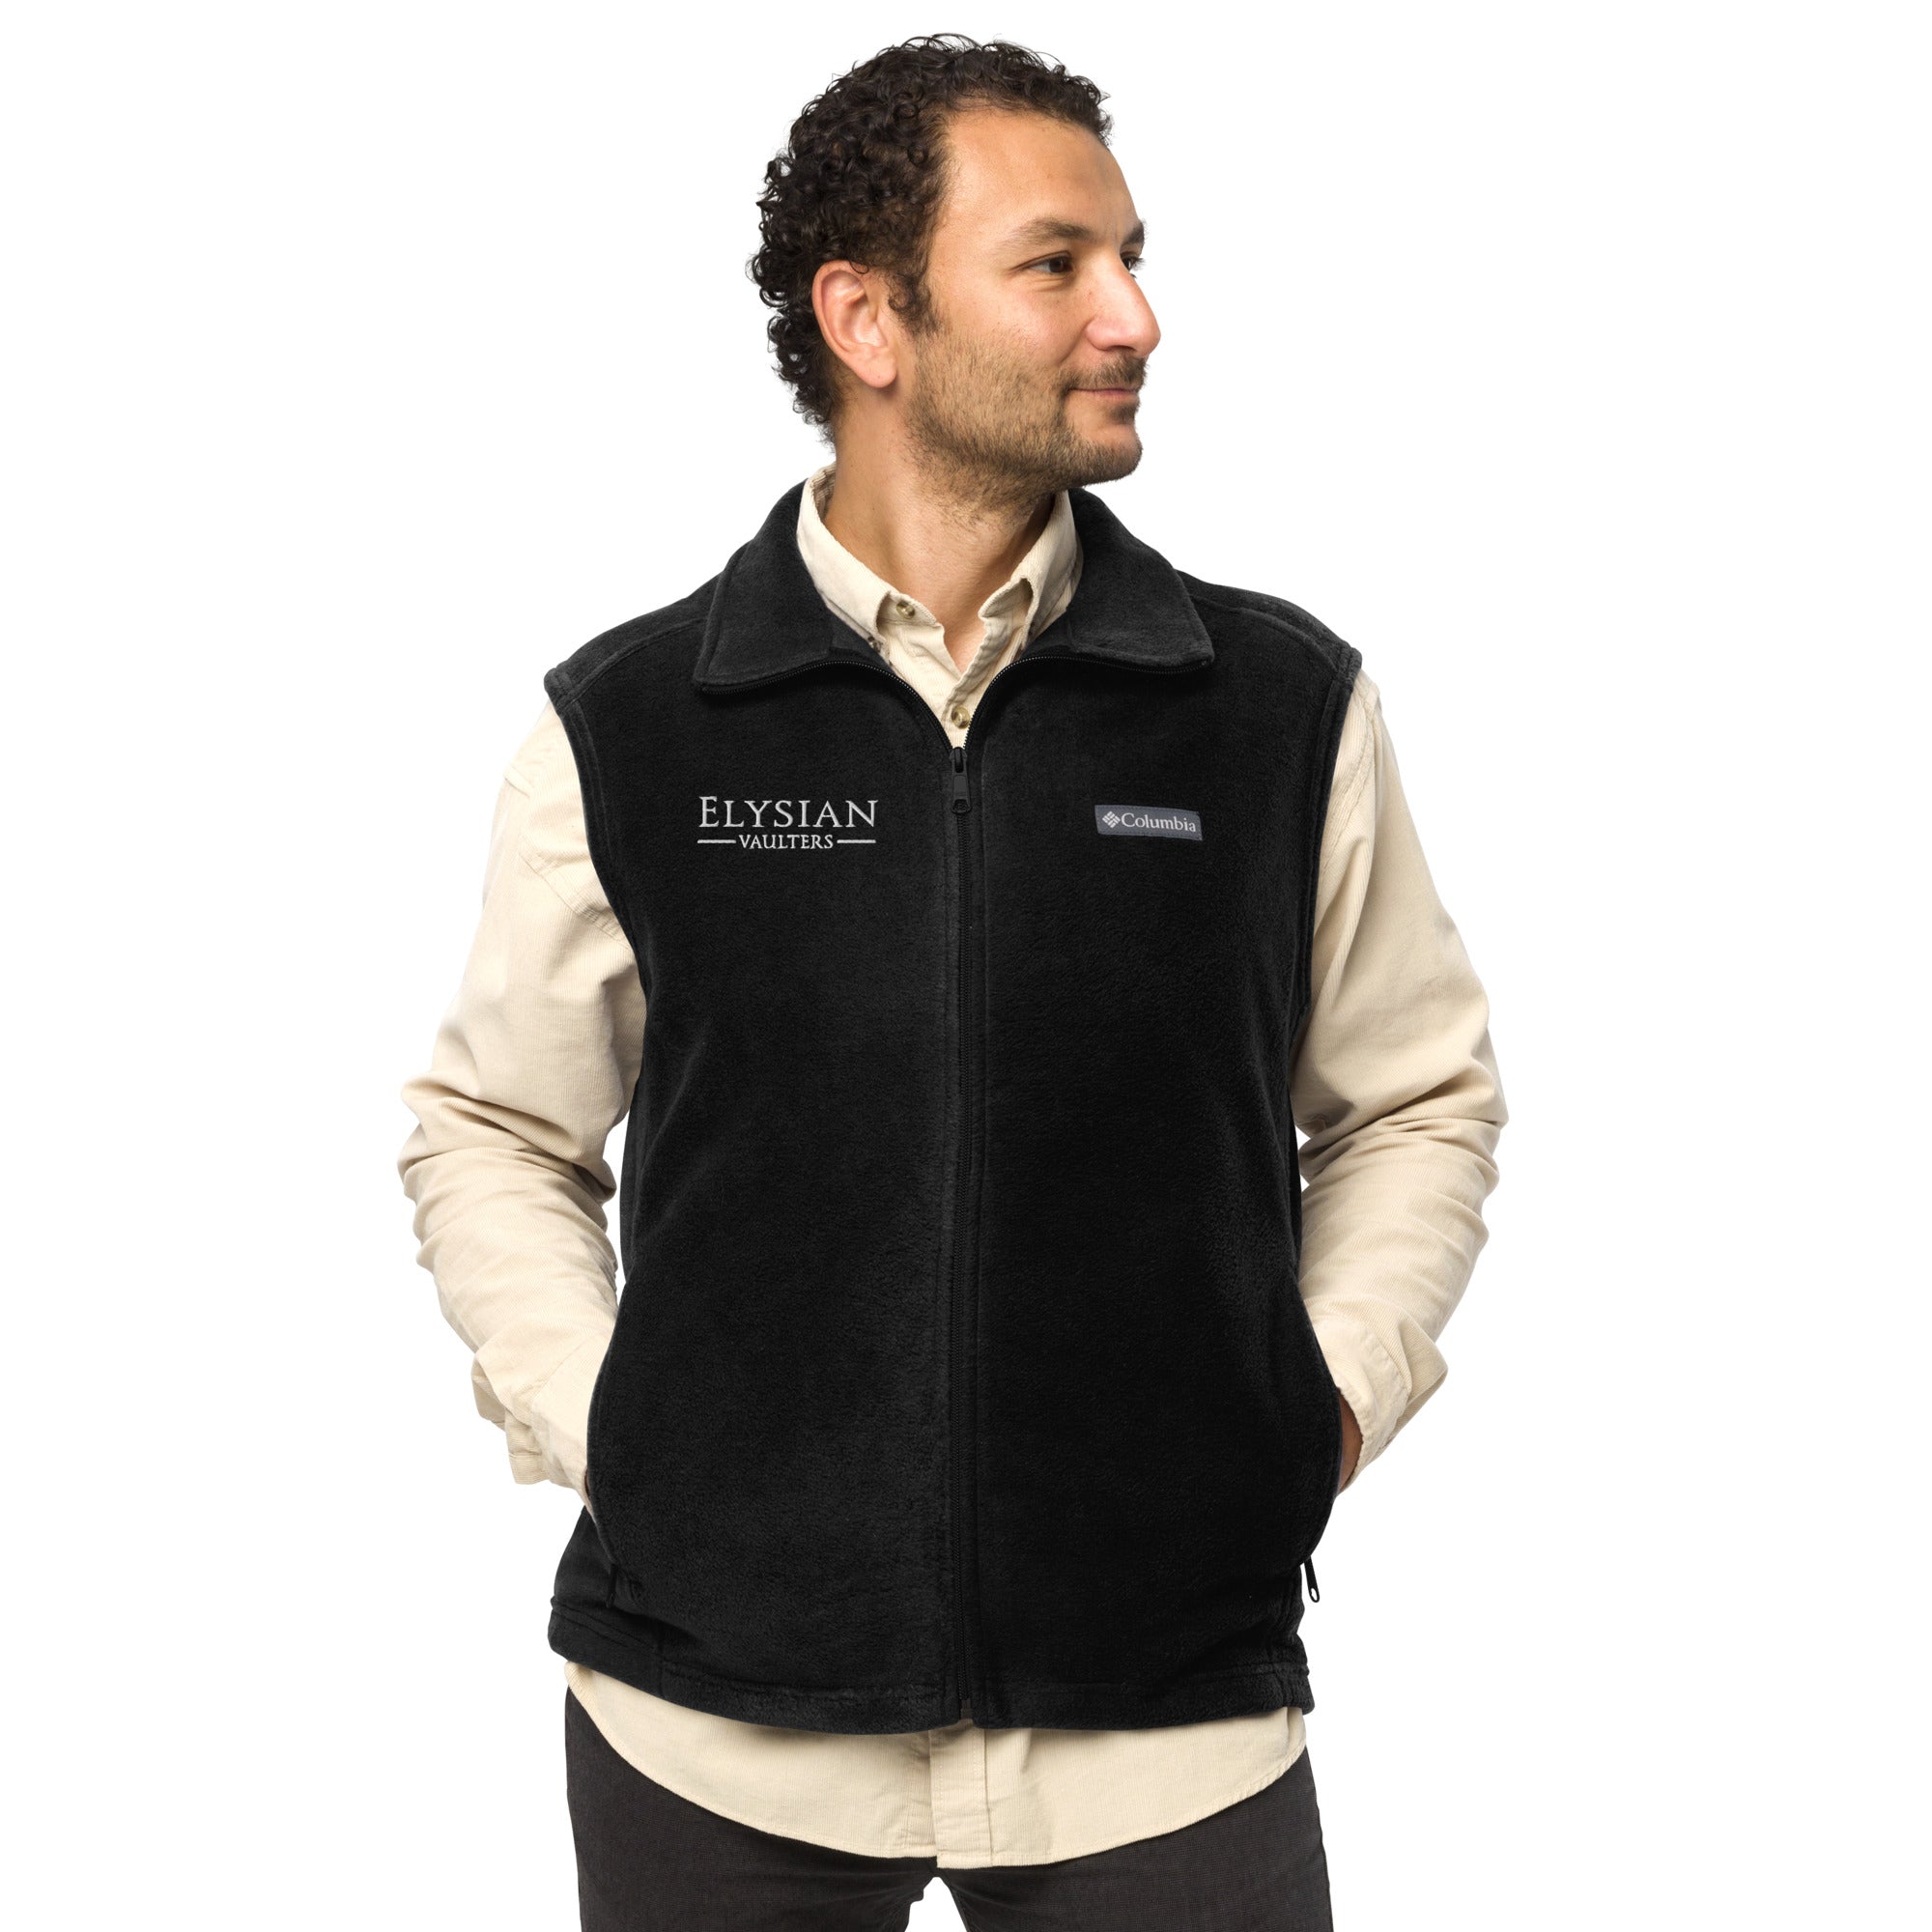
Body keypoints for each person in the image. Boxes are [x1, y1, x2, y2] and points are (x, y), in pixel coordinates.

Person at [397, 33, 1506, 1931]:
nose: (1133, 315)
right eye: (1055, 264)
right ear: (869, 321)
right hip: (711, 1725)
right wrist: (620, 1425)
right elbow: (492, 1125)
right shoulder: (639, 722)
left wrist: (1314, 1402)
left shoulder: (1273, 708)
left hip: (1167, 1724)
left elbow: (1414, 1097)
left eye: (1130, 257)